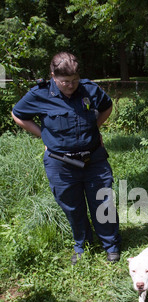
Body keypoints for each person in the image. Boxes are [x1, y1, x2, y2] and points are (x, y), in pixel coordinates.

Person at [12, 52, 121, 264]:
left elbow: (107, 106)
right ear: (53, 76)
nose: (71, 85)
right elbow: (18, 114)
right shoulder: (39, 94)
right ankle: (82, 244)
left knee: (103, 201)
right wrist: (43, 134)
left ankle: (111, 244)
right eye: (65, 82)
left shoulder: (89, 89)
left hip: (94, 160)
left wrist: (94, 127)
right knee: (72, 206)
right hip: (60, 164)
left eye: (74, 80)